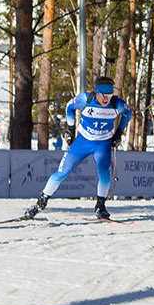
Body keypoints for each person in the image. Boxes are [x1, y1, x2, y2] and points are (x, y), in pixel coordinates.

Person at [22, 76, 131, 221]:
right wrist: (70, 129)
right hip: (82, 142)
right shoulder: (85, 100)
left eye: (109, 96)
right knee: (62, 172)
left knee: (104, 175)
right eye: (104, 96)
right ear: (97, 92)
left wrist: (119, 133)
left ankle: (100, 206)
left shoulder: (117, 104)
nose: (106, 99)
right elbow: (69, 107)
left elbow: (127, 113)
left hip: (102, 144)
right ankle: (41, 202)